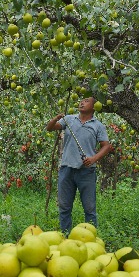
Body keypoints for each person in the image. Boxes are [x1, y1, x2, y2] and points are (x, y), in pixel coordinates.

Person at [46, 97, 112, 235]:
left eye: (86, 101)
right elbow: (50, 128)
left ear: (94, 106)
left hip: (86, 171)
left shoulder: (98, 125)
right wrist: (55, 118)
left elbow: (106, 146)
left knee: (89, 208)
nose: (82, 103)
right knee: (64, 207)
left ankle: (91, 237)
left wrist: (93, 159)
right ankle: (65, 237)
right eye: (81, 101)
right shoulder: (69, 120)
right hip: (67, 169)